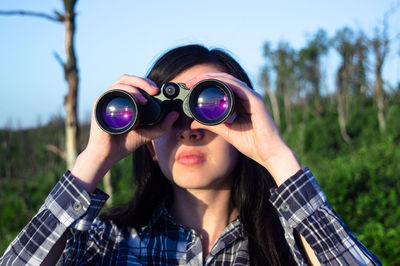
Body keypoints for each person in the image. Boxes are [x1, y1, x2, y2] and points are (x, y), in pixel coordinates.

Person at [0, 45, 381, 265]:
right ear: (149, 142)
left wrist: (276, 155)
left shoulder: (291, 246)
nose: (188, 128)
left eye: (209, 106)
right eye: (167, 116)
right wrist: (93, 159)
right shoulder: (107, 243)